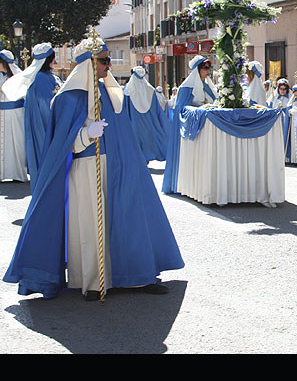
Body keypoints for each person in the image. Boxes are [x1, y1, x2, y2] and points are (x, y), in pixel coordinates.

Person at [3, 35, 184, 301]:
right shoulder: (68, 96)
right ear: (88, 63)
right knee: (91, 225)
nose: (109, 65)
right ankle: (93, 280)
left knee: (125, 221)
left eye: (108, 60)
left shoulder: (109, 92)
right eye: (104, 60)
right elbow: (62, 144)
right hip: (88, 168)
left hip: (118, 168)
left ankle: (133, 276)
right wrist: (86, 133)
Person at [2, 43, 63, 187]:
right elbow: (47, 105)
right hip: (45, 126)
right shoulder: (41, 78)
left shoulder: (50, 77)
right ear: (50, 60)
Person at [162, 55, 217, 194]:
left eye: (209, 68)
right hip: (193, 129)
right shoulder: (187, 87)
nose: (208, 71)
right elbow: (182, 110)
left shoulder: (207, 85)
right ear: (197, 70)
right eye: (205, 68)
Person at [123, 66, 171, 163]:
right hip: (148, 125)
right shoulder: (150, 90)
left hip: (134, 124)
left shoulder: (128, 90)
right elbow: (157, 111)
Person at [0, 49, 28, 182]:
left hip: (16, 114)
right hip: (1, 114)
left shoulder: (18, 76)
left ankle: (17, 172)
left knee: (16, 143)